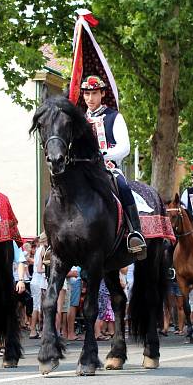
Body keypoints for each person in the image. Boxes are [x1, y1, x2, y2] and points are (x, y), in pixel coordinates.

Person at [78, 75, 146, 259]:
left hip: (107, 167)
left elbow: (124, 147)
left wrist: (101, 155)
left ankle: (135, 232)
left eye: (93, 93)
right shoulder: (79, 119)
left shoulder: (114, 117)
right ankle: (54, 240)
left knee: (123, 186)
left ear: (102, 94)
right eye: (86, 94)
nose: (89, 98)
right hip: (82, 170)